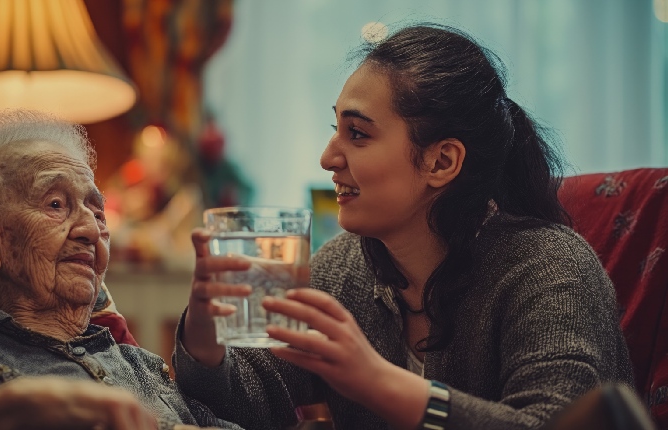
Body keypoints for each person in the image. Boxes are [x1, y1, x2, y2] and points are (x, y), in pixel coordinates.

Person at [172, 24, 635, 429]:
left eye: (358, 134)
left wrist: (378, 382)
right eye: (335, 129)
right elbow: (249, 409)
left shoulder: (549, 268)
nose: (328, 158)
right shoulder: (343, 267)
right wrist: (204, 337)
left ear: (441, 160)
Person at [0, 110, 242, 430]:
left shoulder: (137, 364)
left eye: (97, 213)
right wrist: (12, 408)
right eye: (56, 204)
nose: (91, 231)